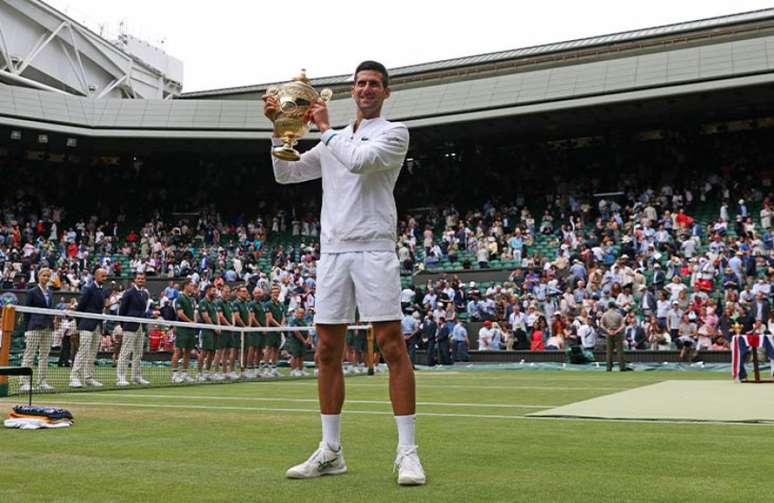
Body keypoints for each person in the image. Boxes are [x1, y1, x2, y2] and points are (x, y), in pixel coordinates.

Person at [268, 60, 424, 484]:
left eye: (374, 84)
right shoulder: (332, 141)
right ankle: (330, 451)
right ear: (352, 91)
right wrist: (281, 131)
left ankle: (407, 453)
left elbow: (358, 161)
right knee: (326, 353)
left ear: (386, 92)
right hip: (333, 252)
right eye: (360, 83)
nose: (366, 89)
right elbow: (287, 173)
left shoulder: (394, 133)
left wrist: (323, 128)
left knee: (392, 348)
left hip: (374, 248)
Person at [69, 268, 108, 388]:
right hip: (86, 325)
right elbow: (80, 307)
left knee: (92, 353)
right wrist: (80, 323)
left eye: (106, 276)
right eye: (102, 276)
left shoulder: (103, 291)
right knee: (83, 351)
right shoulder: (89, 289)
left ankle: (88, 378)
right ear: (96, 276)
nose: (105, 278)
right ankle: (74, 378)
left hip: (97, 325)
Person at [20, 268, 55, 391]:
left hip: (48, 327)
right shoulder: (32, 292)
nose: (46, 278)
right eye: (44, 275)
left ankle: (42, 381)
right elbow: (26, 312)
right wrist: (26, 329)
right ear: (39, 276)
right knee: (29, 355)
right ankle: (24, 382)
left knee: (44, 355)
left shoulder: (50, 293)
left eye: (48, 276)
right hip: (34, 327)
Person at [116, 272, 151, 386]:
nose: (141, 280)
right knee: (125, 352)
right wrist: (123, 324)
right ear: (135, 280)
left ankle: (136, 376)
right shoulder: (129, 293)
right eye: (138, 278)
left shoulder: (145, 294)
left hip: (141, 326)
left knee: (138, 353)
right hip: (130, 326)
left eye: (142, 279)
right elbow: (122, 310)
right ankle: (121, 377)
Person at [171, 280, 197, 383]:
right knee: (178, 351)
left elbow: (193, 313)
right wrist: (191, 322)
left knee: (188, 352)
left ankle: (184, 373)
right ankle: (174, 374)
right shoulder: (180, 298)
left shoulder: (191, 299)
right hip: (182, 328)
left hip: (190, 329)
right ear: (186, 286)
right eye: (191, 285)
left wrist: (194, 322)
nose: (193, 287)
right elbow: (180, 314)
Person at [197, 284, 219, 381]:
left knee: (213, 352)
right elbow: (206, 317)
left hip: (214, 331)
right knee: (204, 352)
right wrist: (214, 327)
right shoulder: (203, 302)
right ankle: (199, 373)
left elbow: (216, 315)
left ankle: (207, 372)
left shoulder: (214, 303)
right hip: (206, 330)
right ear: (208, 291)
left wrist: (218, 326)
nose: (215, 293)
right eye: (213, 291)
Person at [599, 302, 630, 371]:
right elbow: (623, 325)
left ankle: (609, 368)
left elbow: (601, 324)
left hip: (609, 333)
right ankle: (622, 367)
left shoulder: (605, 315)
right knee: (620, 351)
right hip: (617, 333)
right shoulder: (618, 315)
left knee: (609, 351)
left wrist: (607, 330)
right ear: (614, 307)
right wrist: (617, 331)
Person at [264, 284, 285, 378]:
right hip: (272, 330)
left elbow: (283, 316)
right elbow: (270, 318)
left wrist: (281, 327)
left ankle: (274, 369)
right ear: (271, 294)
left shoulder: (281, 304)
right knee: (268, 349)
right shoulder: (268, 304)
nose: (276, 294)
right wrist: (279, 327)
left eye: (277, 293)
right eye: (274, 293)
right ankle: (266, 369)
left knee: (276, 349)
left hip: (278, 330)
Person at [288, 307, 310, 377]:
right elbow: (296, 332)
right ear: (296, 313)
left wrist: (308, 339)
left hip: (303, 341)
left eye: (303, 313)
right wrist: (304, 340)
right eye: (300, 313)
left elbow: (308, 330)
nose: (301, 314)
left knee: (301, 355)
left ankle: (300, 370)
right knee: (295, 355)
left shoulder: (304, 321)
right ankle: (293, 370)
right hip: (295, 340)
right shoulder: (293, 321)